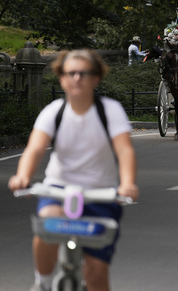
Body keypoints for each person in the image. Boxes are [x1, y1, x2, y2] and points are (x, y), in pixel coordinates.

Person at [8, 50, 139, 291]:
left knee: (97, 274)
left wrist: (127, 183)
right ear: (62, 78)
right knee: (47, 222)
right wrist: (23, 176)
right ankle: (43, 284)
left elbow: (124, 151)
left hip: (101, 193)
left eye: (84, 73)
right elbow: (35, 149)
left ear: (96, 78)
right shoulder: (53, 112)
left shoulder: (110, 111)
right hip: (58, 189)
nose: (77, 78)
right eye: (71, 73)